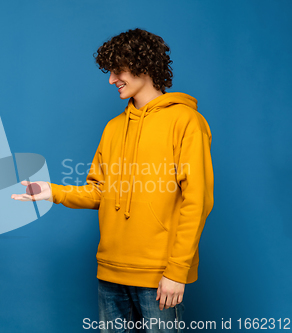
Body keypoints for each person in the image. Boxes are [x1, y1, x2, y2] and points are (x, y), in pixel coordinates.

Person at [12, 28, 213, 333]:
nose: (111, 79)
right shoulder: (113, 128)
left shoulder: (186, 122)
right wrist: (51, 191)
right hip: (110, 273)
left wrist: (177, 271)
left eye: (118, 70)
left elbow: (197, 200)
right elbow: (99, 192)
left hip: (158, 276)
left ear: (143, 66)